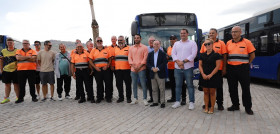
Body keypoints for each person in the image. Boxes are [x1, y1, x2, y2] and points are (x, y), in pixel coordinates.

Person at [226, 26, 255, 115]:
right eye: (232, 32)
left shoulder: (247, 42)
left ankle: (248, 108)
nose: (233, 33)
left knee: (245, 89)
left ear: (240, 32)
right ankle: (235, 105)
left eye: (236, 32)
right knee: (232, 88)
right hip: (231, 69)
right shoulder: (228, 43)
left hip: (243, 69)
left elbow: (252, 55)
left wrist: (246, 63)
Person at [200, 28, 227, 110]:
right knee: (207, 88)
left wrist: (224, 68)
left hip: (217, 70)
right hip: (206, 70)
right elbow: (202, 56)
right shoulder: (204, 43)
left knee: (218, 87)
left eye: (213, 33)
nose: (211, 34)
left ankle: (219, 104)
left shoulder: (221, 43)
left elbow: (225, 56)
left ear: (216, 34)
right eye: (210, 33)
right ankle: (208, 104)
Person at [171, 29, 197, 109]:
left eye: (184, 33)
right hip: (177, 68)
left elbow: (193, 55)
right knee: (178, 85)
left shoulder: (192, 43)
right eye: (181, 33)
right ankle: (177, 101)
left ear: (187, 34)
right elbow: (173, 54)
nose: (183, 35)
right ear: (180, 34)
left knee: (190, 85)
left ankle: (191, 102)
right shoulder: (176, 43)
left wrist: (183, 62)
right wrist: (178, 63)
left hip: (188, 68)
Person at [199, 38, 222, 114]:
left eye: (209, 44)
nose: (207, 45)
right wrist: (203, 74)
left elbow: (217, 66)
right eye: (205, 44)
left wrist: (211, 75)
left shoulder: (217, 55)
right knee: (205, 92)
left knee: (212, 92)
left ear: (212, 44)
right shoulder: (202, 55)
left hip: (213, 76)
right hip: (204, 76)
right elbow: (200, 65)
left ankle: (212, 107)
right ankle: (206, 107)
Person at [89, 37, 112, 103]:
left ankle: (108, 97)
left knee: (108, 84)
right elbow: (90, 60)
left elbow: (110, 58)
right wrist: (95, 67)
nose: (99, 42)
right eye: (98, 41)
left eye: (100, 40)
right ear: (96, 42)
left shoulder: (107, 49)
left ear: (102, 41)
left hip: (106, 70)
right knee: (99, 84)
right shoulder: (93, 50)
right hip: (97, 70)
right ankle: (99, 97)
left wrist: (107, 66)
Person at [128, 34, 149, 106]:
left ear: (140, 39)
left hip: (142, 69)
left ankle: (145, 99)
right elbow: (130, 58)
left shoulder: (144, 47)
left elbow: (145, 58)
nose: (136, 39)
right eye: (135, 38)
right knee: (134, 85)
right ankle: (135, 98)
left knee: (143, 84)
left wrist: (139, 67)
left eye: (138, 38)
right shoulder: (131, 48)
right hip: (133, 69)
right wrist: (134, 66)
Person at [166, 35, 187, 105]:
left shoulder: (179, 47)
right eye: (170, 39)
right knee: (172, 83)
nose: (172, 40)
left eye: (173, 39)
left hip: (178, 68)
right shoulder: (169, 48)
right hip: (170, 68)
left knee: (181, 83)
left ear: (176, 39)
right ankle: (173, 97)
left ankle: (183, 99)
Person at [147, 40, 167, 108]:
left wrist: (158, 68)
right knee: (154, 88)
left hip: (160, 73)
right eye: (155, 44)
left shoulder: (163, 53)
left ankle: (162, 102)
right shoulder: (150, 54)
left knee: (161, 88)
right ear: (152, 45)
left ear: (160, 45)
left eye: (157, 44)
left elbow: (164, 63)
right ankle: (155, 102)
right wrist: (152, 68)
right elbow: (148, 63)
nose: (156, 45)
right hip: (152, 73)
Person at [0, 37, 19, 104]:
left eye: (11, 42)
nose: (9, 44)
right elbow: (1, 61)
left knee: (16, 84)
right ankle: (7, 98)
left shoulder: (17, 51)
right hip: (6, 70)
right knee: (7, 85)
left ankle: (18, 97)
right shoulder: (3, 51)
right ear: (6, 43)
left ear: (13, 43)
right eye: (8, 43)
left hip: (15, 70)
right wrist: (1, 70)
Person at [114, 35, 132, 103]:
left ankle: (128, 98)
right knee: (119, 84)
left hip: (127, 70)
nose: (119, 41)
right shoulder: (115, 48)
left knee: (128, 84)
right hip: (118, 70)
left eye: (121, 40)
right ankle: (121, 97)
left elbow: (131, 58)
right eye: (118, 40)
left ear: (124, 40)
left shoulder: (129, 48)